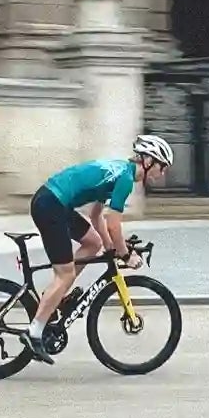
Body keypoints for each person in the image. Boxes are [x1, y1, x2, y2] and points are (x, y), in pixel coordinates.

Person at [23, 134, 174, 363]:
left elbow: (96, 217)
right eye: (162, 167)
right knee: (65, 273)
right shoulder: (124, 178)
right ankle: (34, 333)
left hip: (54, 202)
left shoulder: (120, 172)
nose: (162, 174)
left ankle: (54, 297)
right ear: (148, 161)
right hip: (50, 204)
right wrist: (125, 254)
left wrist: (109, 246)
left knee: (92, 243)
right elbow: (114, 223)